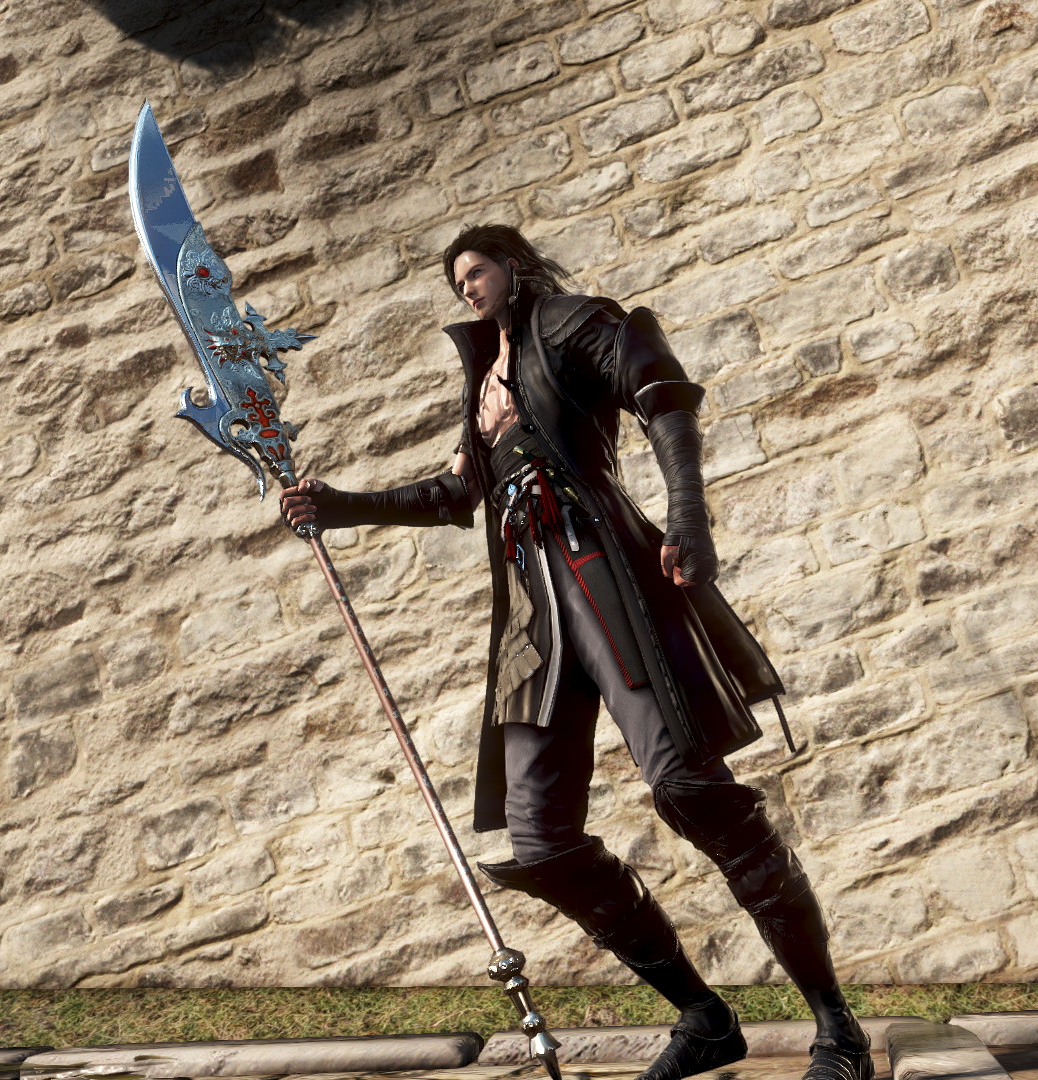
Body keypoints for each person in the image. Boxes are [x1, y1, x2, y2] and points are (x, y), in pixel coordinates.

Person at [279, 226, 873, 1080]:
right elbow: (460, 492)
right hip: (532, 611)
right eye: (456, 282)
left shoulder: (570, 323)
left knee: (691, 790)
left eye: (475, 271)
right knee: (539, 839)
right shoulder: (482, 379)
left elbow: (661, 391)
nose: (466, 289)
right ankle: (705, 1019)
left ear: (512, 266)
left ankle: (837, 1029)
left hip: (600, 569)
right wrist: (340, 505)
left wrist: (688, 514)